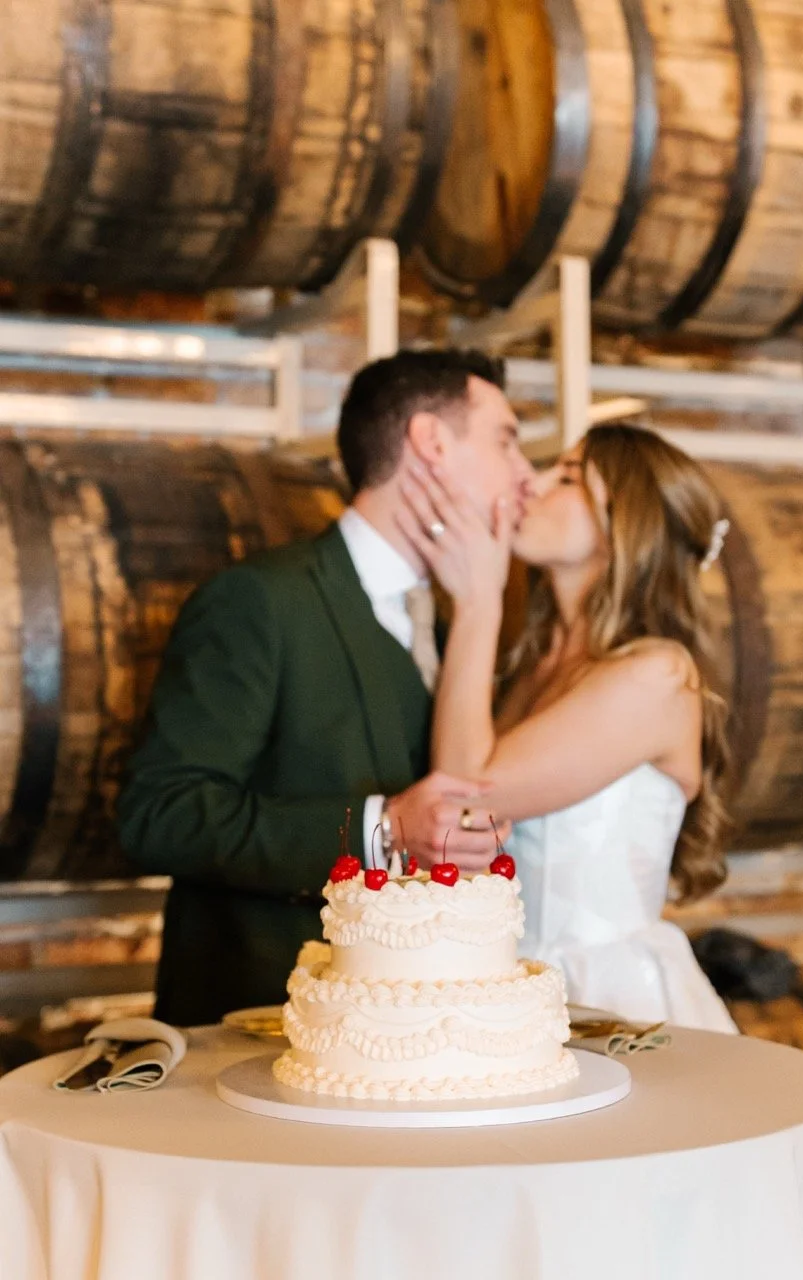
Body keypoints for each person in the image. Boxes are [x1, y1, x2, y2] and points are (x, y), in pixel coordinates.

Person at [117, 348, 534, 1025]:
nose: (526, 476)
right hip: (259, 1034)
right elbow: (158, 815)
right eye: (506, 442)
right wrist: (382, 828)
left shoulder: (463, 611)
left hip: (423, 1031)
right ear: (429, 442)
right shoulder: (260, 601)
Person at [398, 421, 738, 1032]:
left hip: (607, 1003)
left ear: (624, 521)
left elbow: (465, 793)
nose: (533, 479)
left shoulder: (657, 673)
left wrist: (478, 600)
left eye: (571, 475)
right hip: (506, 985)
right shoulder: (534, 664)